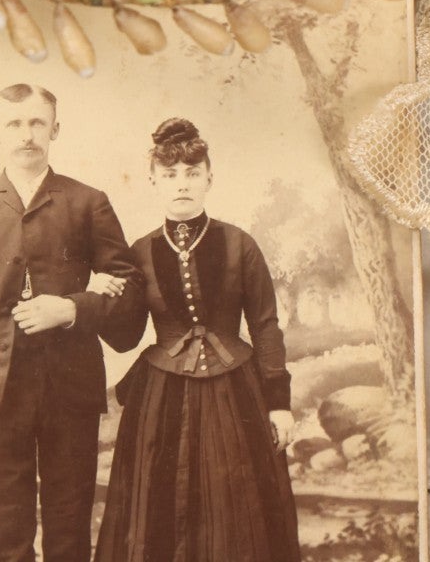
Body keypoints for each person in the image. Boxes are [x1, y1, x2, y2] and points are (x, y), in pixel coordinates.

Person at [94, 118, 300, 562]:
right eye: (169, 175)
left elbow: (265, 325)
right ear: (153, 181)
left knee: (237, 505)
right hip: (159, 398)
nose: (181, 184)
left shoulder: (240, 244)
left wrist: (279, 403)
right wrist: (99, 298)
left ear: (209, 178)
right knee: (157, 504)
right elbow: (126, 336)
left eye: (192, 173)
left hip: (236, 395)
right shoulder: (141, 251)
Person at [0, 83, 144, 562]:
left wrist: (73, 308)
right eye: (14, 122)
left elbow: (130, 288)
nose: (27, 134)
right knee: (5, 532)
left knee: (70, 525)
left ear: (56, 127)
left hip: (70, 388)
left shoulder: (86, 201)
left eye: (37, 122)